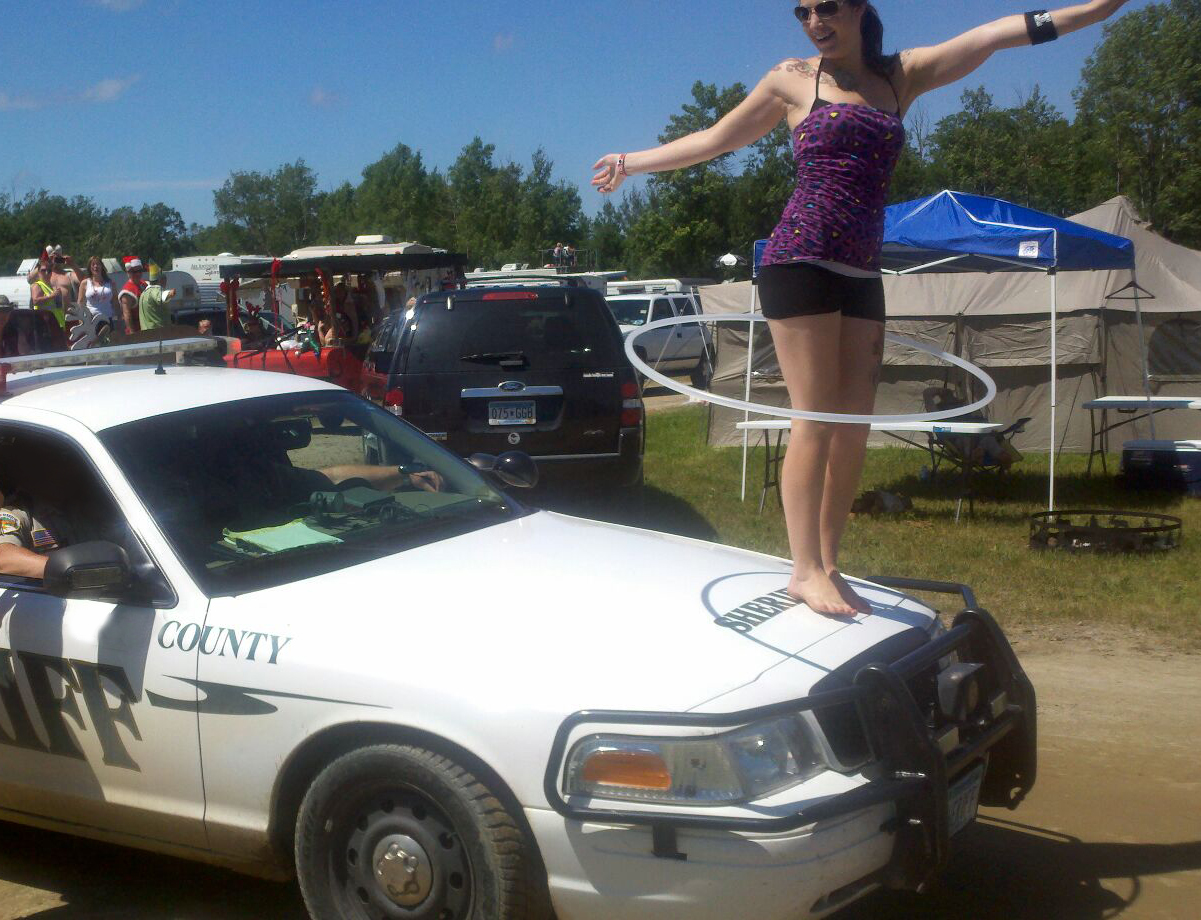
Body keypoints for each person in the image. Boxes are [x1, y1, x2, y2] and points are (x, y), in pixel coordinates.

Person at [592, 0, 1129, 615]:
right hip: (800, 261)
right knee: (815, 419)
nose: (815, 22)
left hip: (861, 270)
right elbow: (714, 141)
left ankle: (828, 560)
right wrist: (632, 162)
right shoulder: (792, 79)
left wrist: (1098, 8)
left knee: (852, 426)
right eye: (802, 12)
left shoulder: (900, 76)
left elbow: (990, 36)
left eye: (826, 8)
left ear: (858, 10)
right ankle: (803, 569)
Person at [77, 256, 117, 334]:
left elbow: (115, 302)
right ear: (89, 268)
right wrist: (80, 319)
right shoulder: (85, 283)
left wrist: (119, 318)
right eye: (93, 264)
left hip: (107, 319)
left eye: (98, 264)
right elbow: (80, 302)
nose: (96, 266)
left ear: (102, 266)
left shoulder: (110, 283)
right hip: (90, 320)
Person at [138, 262, 176, 331]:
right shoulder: (155, 290)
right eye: (165, 280)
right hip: (158, 336)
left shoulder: (144, 293)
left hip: (146, 335)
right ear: (161, 280)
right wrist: (170, 293)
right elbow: (161, 297)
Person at [118, 257, 147, 333]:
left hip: (147, 328)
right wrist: (132, 334)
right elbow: (127, 315)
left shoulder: (144, 284)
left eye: (140, 271)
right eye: (134, 271)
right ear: (128, 272)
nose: (138, 273)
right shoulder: (126, 292)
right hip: (136, 331)